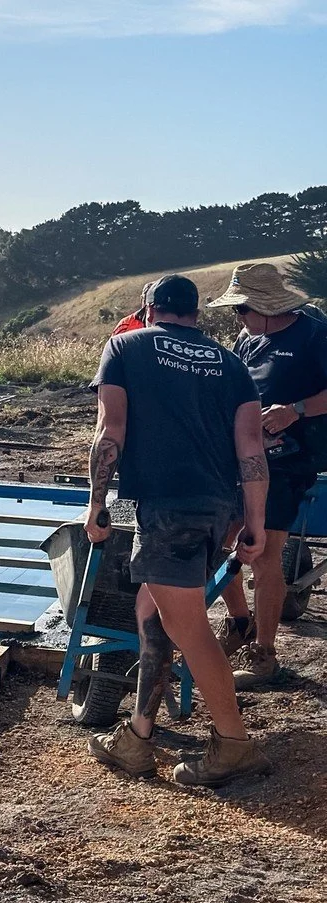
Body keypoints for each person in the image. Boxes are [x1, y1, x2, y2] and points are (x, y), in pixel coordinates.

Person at [83, 274, 271, 786]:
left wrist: (97, 503)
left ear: (148, 308)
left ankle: (235, 745)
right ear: (196, 313)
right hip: (216, 507)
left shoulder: (124, 346)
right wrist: (253, 523)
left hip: (167, 507)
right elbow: (252, 450)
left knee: (187, 627)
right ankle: (138, 736)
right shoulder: (230, 363)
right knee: (153, 609)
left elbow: (110, 430)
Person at [205, 263, 327, 687]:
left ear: (266, 307)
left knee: (264, 552)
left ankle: (265, 656)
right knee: (220, 541)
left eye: (241, 310)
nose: (237, 318)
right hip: (242, 456)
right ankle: (241, 621)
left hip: (289, 460)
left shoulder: (314, 334)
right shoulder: (247, 339)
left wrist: (293, 410)